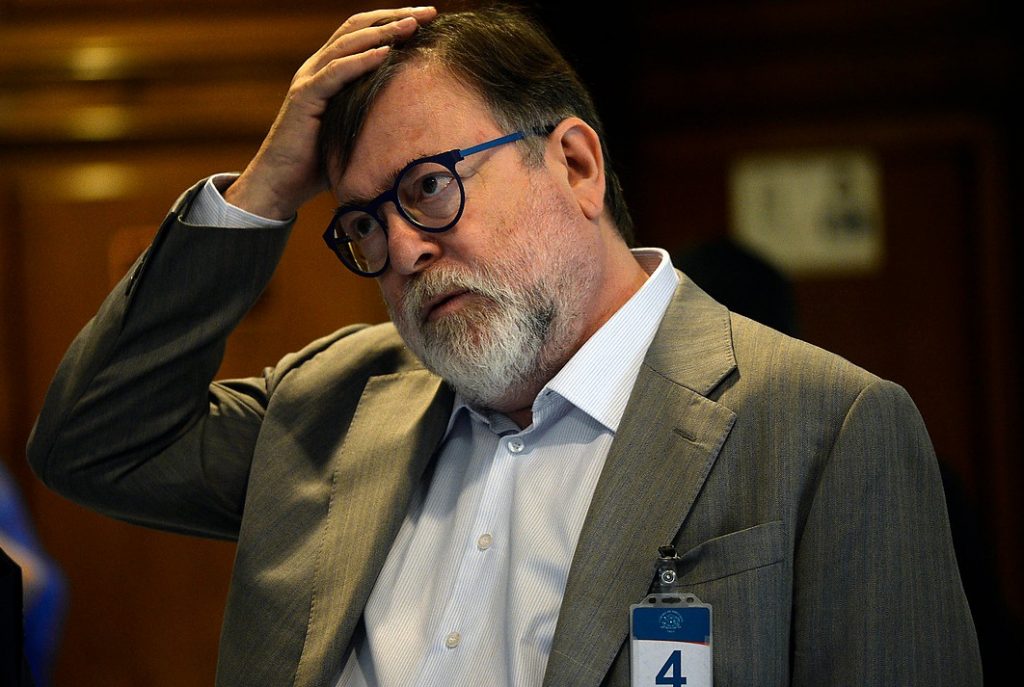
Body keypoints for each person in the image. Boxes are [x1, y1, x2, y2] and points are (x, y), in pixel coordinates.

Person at [27, 5, 981, 686]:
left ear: (575, 164)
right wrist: (266, 189)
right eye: (364, 224)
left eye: (429, 187)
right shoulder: (330, 403)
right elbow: (95, 437)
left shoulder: (824, 424)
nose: (402, 248)